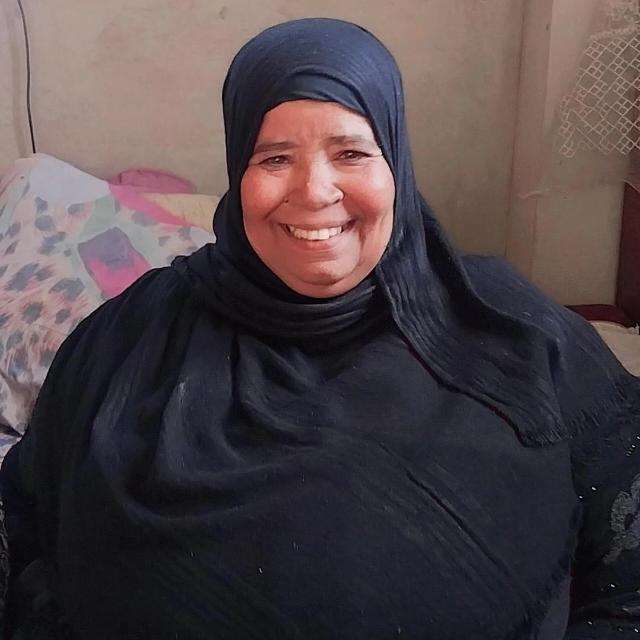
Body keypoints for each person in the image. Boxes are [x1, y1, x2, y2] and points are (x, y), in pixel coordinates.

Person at [1, 17, 640, 640]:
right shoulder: (132, 336)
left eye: (351, 153)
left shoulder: (510, 326)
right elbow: (25, 516)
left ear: (396, 166)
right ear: (238, 170)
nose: (314, 192)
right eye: (275, 157)